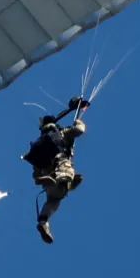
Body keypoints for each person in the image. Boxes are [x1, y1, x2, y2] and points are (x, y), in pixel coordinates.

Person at [21, 97, 89, 244]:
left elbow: (35, 167)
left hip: (45, 169)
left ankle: (43, 221)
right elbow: (78, 130)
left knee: (54, 199)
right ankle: (58, 181)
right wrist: (79, 122)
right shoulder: (63, 132)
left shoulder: (41, 140)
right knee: (67, 177)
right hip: (59, 162)